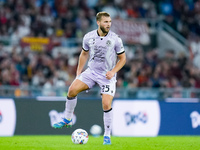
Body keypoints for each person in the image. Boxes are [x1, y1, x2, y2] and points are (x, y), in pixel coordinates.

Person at [53, 12, 126, 145]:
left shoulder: (116, 39)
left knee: (106, 104)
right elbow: (84, 54)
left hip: (107, 75)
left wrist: (113, 71)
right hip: (91, 72)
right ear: (98, 22)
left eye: (109, 22)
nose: (108, 24)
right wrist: (78, 73)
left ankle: (107, 136)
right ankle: (67, 119)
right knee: (71, 90)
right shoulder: (88, 37)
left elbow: (123, 59)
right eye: (105, 22)